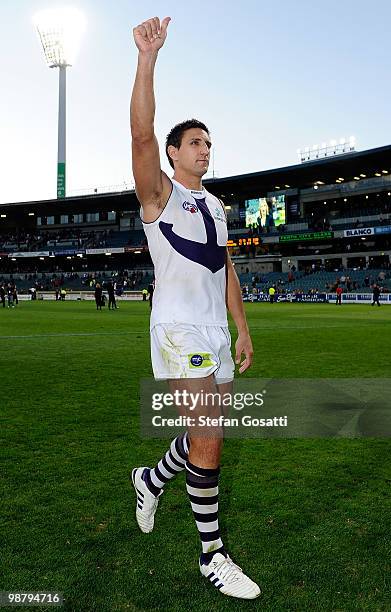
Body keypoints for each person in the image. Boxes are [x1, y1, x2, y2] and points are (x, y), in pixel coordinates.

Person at [129, 16, 260, 600]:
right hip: (178, 327)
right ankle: (213, 555)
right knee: (209, 434)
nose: (206, 150)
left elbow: (224, 267)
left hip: (212, 325)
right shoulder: (160, 194)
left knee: (204, 433)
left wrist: (243, 327)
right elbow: (140, 132)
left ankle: (150, 480)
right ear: (174, 153)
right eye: (196, 142)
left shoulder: (219, 207)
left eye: (210, 143)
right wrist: (148, 57)